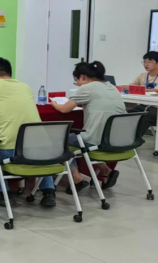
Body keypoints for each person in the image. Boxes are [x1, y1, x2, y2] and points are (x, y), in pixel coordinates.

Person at [0, 57, 57, 207]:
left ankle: (1, 193)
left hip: (11, 152)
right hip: (42, 150)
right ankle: (49, 192)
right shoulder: (25, 86)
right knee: (39, 146)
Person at [52, 61, 126, 192]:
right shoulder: (112, 87)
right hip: (118, 140)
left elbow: (64, 109)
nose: (77, 84)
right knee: (86, 141)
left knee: (60, 139)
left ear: (82, 77)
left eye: (76, 81)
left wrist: (53, 103)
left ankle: (76, 178)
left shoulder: (87, 88)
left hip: (96, 139)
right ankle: (106, 170)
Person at [126, 51, 158, 130]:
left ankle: (134, 137)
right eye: (144, 62)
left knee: (145, 116)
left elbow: (156, 91)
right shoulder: (142, 75)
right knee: (126, 115)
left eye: (149, 62)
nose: (146, 64)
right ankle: (124, 136)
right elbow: (130, 86)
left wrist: (137, 89)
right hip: (144, 106)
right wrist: (122, 87)